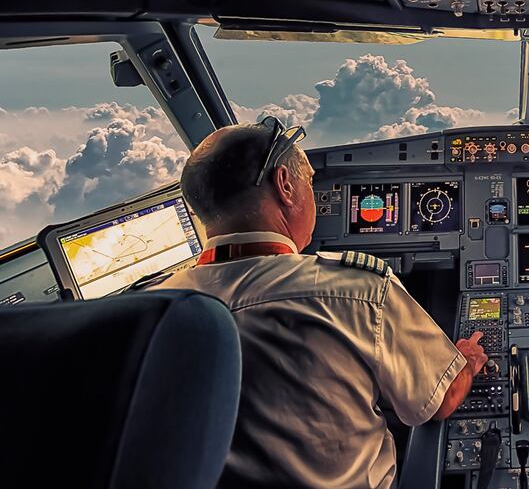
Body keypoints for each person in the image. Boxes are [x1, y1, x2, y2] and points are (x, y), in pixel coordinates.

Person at [153, 118, 488, 488]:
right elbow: (439, 401)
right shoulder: (358, 291)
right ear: (284, 185)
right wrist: (466, 362)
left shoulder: (150, 313)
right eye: (309, 183)